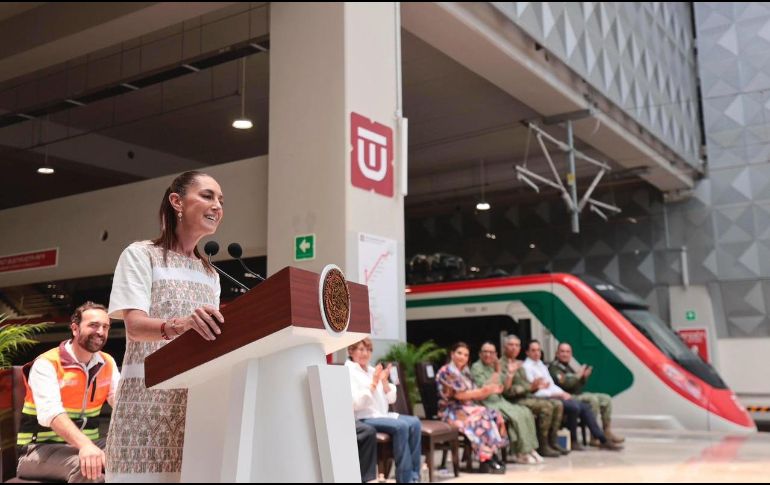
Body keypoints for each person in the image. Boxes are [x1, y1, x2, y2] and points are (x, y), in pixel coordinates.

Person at [105, 171, 226, 482]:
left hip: (196, 406)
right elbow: (134, 326)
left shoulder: (210, 274)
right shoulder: (140, 255)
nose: (217, 206)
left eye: (221, 201)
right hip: (145, 403)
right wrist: (182, 324)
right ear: (177, 201)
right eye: (208, 196)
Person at [16, 302, 119, 483]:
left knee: (130, 456)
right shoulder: (47, 363)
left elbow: (122, 404)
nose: (101, 332)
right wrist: (85, 445)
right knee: (89, 470)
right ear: (74, 328)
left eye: (105, 327)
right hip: (37, 450)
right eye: (93, 325)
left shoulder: (107, 362)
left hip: (86, 445)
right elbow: (52, 413)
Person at [522, 340, 622, 451]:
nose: (537, 353)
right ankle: (572, 440)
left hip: (555, 394)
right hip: (543, 397)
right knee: (575, 406)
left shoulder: (541, 365)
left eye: (538, 350)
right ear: (527, 352)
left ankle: (602, 438)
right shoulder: (528, 367)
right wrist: (559, 392)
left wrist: (562, 392)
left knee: (585, 407)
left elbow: (551, 385)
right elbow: (536, 389)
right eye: (533, 350)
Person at [346, 338, 422, 483]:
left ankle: (414, 476)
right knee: (401, 426)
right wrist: (374, 383)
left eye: (368, 350)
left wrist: (385, 382)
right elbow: (355, 403)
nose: (365, 353)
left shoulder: (372, 369)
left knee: (415, 422)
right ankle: (405, 479)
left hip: (383, 415)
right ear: (351, 351)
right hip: (364, 417)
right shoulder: (348, 371)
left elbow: (391, 399)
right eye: (361, 349)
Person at [435, 342, 508, 474]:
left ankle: (491, 454)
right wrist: (485, 390)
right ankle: (485, 458)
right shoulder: (447, 371)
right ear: (452, 354)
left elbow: (476, 395)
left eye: (466, 355)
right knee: (481, 418)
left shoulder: (465, 372)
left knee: (493, 414)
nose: (462, 357)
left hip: (467, 408)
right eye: (459, 353)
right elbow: (460, 395)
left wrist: (490, 391)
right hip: (451, 411)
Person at [470, 342, 541, 464]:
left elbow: (505, 387)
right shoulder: (477, 367)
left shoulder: (493, 366)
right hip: (486, 402)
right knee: (516, 416)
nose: (488, 355)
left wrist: (510, 374)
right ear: (480, 354)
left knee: (526, 412)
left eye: (491, 352)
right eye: (485, 352)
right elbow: (484, 387)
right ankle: (520, 451)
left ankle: (530, 448)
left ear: (495, 354)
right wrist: (497, 372)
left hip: (499, 400)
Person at [500, 335, 565, 457]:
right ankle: (542, 445)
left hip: (526, 395)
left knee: (558, 404)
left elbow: (526, 384)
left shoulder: (519, 364)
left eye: (517, 345)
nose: (514, 348)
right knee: (547, 407)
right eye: (511, 345)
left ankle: (552, 441)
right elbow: (507, 391)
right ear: (504, 347)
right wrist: (530, 387)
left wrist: (534, 386)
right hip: (512, 400)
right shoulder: (501, 364)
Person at [549, 342, 624, 445]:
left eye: (567, 352)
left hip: (576, 395)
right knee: (592, 399)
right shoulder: (554, 368)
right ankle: (594, 437)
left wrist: (584, 378)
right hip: (566, 398)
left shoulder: (567, 367)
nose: (565, 354)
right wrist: (578, 375)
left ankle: (607, 431)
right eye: (562, 351)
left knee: (605, 398)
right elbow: (566, 384)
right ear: (557, 353)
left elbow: (576, 386)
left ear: (571, 354)